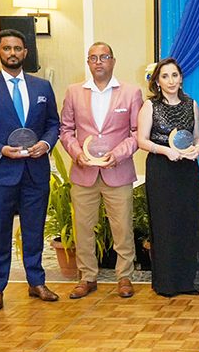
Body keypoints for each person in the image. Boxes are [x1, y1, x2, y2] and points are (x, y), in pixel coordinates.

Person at [0, 29, 60, 310]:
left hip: (35, 173)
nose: (13, 53)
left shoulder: (42, 88)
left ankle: (36, 282)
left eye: (18, 48)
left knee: (34, 232)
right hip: (0, 173)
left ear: (25, 52)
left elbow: (54, 123)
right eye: (7, 48)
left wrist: (46, 142)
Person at [60, 42, 143, 299]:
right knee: (83, 227)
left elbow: (137, 133)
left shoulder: (130, 93)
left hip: (117, 172)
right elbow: (66, 130)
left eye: (104, 57)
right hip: (84, 173)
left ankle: (124, 275)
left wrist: (116, 155)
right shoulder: (74, 92)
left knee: (122, 227)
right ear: (88, 62)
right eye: (93, 58)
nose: (98, 62)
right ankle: (87, 277)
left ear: (113, 61)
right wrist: (77, 154)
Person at [137, 58, 199, 297]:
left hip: (187, 172)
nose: (171, 80)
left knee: (187, 223)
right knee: (165, 225)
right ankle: (167, 283)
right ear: (157, 80)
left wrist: (198, 148)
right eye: (165, 76)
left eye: (174, 75)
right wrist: (166, 151)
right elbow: (142, 140)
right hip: (161, 171)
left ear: (181, 78)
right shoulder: (150, 106)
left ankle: (188, 281)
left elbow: (198, 136)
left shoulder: (191, 104)